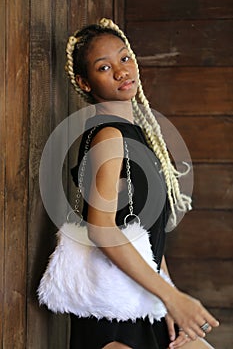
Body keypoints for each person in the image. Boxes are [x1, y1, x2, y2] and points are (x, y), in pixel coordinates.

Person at [65, 18, 219, 349]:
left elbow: (148, 231)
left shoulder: (139, 137)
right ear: (85, 82)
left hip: (145, 301)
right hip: (114, 318)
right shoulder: (107, 136)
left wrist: (169, 298)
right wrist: (172, 298)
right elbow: (101, 229)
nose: (121, 71)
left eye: (124, 57)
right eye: (104, 67)